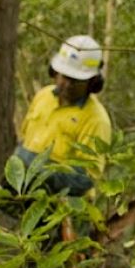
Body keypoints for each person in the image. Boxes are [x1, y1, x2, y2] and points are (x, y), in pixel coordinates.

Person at [16, 33, 112, 196]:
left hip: (63, 206)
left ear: (92, 82)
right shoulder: (43, 96)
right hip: (24, 191)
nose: (67, 84)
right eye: (64, 76)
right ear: (55, 72)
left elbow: (86, 178)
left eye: (75, 80)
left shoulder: (96, 119)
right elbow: (25, 138)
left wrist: (41, 172)